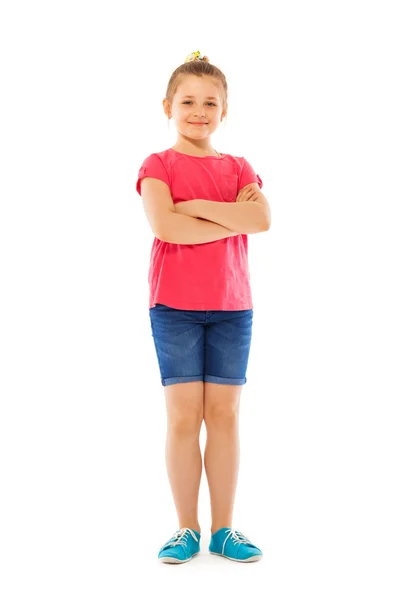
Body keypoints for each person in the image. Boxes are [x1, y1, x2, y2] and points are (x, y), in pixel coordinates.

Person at [135, 50, 271, 564]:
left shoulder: (238, 166)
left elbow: (261, 221)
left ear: (225, 110)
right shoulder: (158, 165)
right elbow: (165, 228)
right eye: (188, 101)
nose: (199, 110)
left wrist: (194, 207)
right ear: (168, 105)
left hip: (234, 308)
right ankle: (186, 528)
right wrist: (229, 216)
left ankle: (224, 530)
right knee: (182, 420)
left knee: (226, 416)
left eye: (210, 102)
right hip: (174, 308)